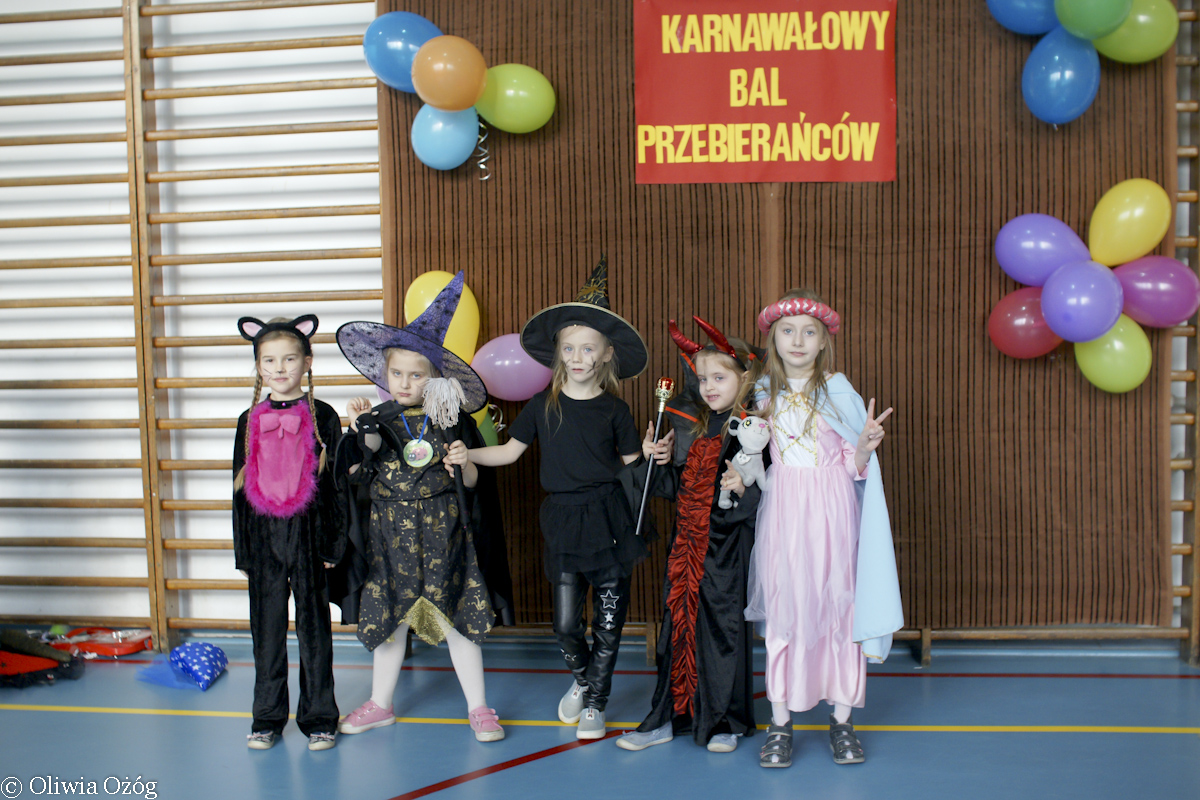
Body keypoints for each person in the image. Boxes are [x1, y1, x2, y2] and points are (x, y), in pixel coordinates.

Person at [456, 256, 649, 740]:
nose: (578, 356)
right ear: (559, 353)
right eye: (569, 348)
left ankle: (596, 703)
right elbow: (509, 452)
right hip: (563, 521)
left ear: (606, 354)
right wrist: (467, 454)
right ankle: (584, 680)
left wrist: (650, 455)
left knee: (609, 623)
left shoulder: (616, 410)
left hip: (610, 521)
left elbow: (633, 470)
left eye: (588, 348)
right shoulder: (543, 406)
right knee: (566, 626)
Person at [332, 272, 514, 743]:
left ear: (433, 376)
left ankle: (479, 708)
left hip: (443, 537)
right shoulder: (378, 420)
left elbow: (472, 486)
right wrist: (360, 428)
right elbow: (363, 465)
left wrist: (464, 462)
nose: (406, 382)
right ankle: (380, 704)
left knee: (457, 620)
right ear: (385, 374)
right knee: (391, 623)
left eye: (417, 374)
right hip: (390, 539)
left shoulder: (451, 420)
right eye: (397, 373)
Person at [746, 290, 902, 768]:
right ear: (774, 339)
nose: (798, 340)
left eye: (808, 332)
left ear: (822, 342)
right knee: (786, 610)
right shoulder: (761, 393)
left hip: (833, 510)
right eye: (788, 331)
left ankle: (842, 720)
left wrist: (865, 446)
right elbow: (753, 455)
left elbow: (854, 468)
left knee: (839, 608)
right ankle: (780, 724)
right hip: (785, 512)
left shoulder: (837, 389)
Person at [615, 317, 763, 754]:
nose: (709, 387)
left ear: (744, 378)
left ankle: (724, 722)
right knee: (676, 631)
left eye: (719, 378)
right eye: (702, 379)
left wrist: (743, 491)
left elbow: (771, 493)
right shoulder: (693, 428)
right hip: (686, 548)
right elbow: (671, 490)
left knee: (723, 632)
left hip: (727, 549)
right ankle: (668, 716)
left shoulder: (754, 431)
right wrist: (652, 460)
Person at [232, 314, 343, 752]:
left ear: (307, 362)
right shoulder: (248, 419)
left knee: (314, 630)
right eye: (269, 361)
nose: (279, 368)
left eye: (289, 359)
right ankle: (267, 718)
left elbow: (334, 487)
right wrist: (244, 551)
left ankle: (320, 718)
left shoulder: (323, 416)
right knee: (267, 631)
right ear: (258, 366)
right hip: (264, 539)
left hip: (309, 536)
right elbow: (238, 488)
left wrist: (332, 543)